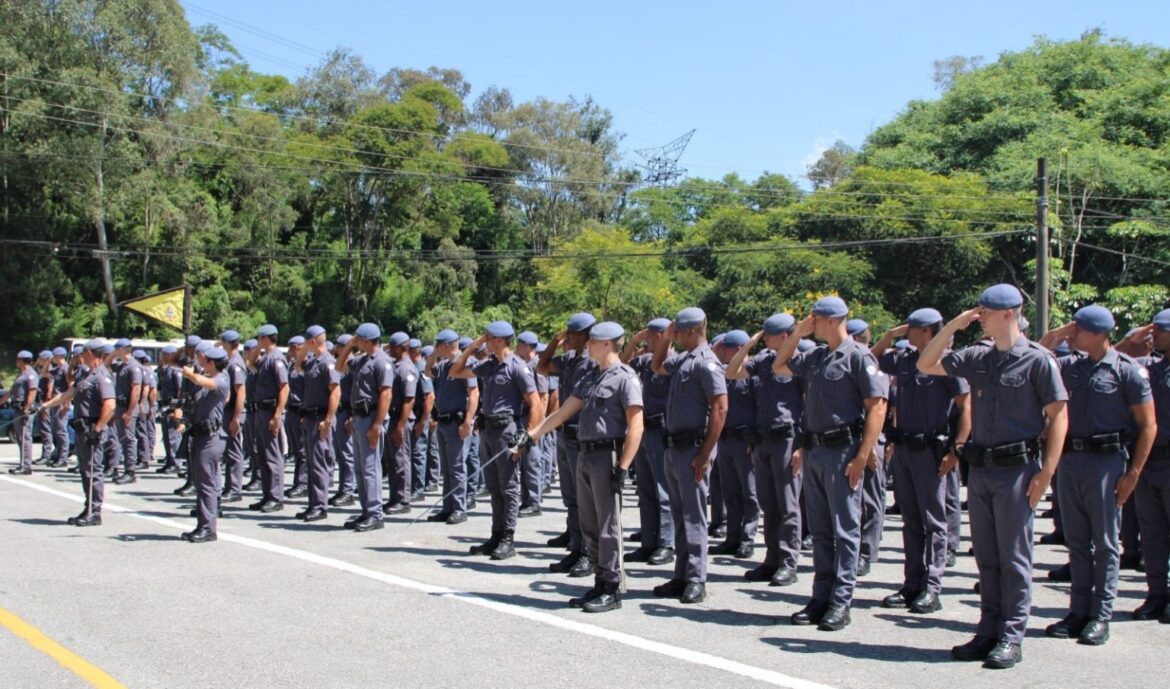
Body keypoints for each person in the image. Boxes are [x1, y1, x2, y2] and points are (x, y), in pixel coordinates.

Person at [917, 284, 1069, 669]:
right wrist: (952, 325)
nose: (980, 314)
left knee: (1014, 558)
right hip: (981, 471)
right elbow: (926, 363)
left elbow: (1058, 417)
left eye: (986, 310)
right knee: (987, 557)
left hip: (1018, 470)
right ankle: (987, 630)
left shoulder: (1038, 360)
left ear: (1009, 314)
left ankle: (1011, 636)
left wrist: (1047, 473)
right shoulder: (978, 357)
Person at [1037, 306, 1154, 645]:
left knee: (1104, 543)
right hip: (1071, 461)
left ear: (1101, 334)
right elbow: (1037, 356)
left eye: (1081, 329)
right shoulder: (1069, 365)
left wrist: (1133, 473)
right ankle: (1078, 611)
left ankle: (1100, 615)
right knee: (1076, 542)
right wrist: (1059, 333)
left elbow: (1148, 425)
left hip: (1106, 463)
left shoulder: (1126, 370)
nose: (1074, 334)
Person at [771, 298, 888, 631]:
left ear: (833, 320)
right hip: (817, 450)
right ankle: (820, 596)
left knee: (846, 531)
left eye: (815, 319)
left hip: (844, 451)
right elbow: (780, 365)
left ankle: (841, 600)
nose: (811, 323)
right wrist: (797, 335)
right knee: (821, 531)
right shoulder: (818, 357)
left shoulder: (858, 356)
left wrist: (863, 455)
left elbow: (877, 408)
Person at [529, 322, 644, 612]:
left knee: (607, 525)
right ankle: (599, 579)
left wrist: (623, 467)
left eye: (592, 341)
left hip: (608, 456)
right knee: (590, 523)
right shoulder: (593, 376)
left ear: (606, 344)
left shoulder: (625, 378)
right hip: (585, 454)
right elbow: (565, 410)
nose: (586, 345)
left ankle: (612, 586)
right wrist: (533, 433)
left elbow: (636, 425)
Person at [871, 308, 971, 614]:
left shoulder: (947, 363)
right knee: (911, 521)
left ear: (926, 331)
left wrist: (957, 450)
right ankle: (911, 583)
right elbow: (871, 359)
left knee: (934, 521)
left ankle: (932, 586)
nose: (907, 332)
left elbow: (966, 407)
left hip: (932, 450)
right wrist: (889, 336)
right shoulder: (903, 358)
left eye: (912, 328)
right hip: (905, 449)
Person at [649, 307, 728, 604]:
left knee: (694, 516)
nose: (677, 336)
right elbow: (657, 365)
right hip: (674, 447)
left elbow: (720, 408)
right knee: (681, 514)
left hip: (693, 447)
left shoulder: (707, 362)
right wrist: (666, 339)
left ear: (693, 331)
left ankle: (696, 578)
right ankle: (681, 575)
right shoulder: (684, 359)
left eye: (679, 332)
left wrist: (706, 453)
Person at [449, 321, 541, 561]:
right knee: (493, 487)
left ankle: (508, 539)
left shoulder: (517, 368)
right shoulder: (489, 366)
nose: (484, 341)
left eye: (487, 338)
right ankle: (496, 534)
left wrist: (525, 438)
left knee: (509, 487)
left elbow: (536, 404)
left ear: (499, 340)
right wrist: (472, 347)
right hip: (488, 429)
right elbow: (455, 371)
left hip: (507, 430)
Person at [725, 313, 805, 587]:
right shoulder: (762, 360)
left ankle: (788, 561)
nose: (765, 339)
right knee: (769, 504)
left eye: (768, 335)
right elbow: (732, 372)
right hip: (762, 440)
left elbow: (808, 403)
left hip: (787, 439)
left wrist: (802, 447)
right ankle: (772, 559)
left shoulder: (801, 358)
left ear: (785, 336)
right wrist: (749, 345)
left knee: (787, 505)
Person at [1116, 310, 1170, 622]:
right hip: (1149, 460)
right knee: (1152, 534)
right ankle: (1156, 594)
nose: (1154, 336)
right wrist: (1129, 341)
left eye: (1161, 331)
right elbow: (1113, 359)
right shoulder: (1149, 367)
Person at [537, 313, 599, 577]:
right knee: (571, 498)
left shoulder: (592, 362)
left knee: (585, 499)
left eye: (574, 334)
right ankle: (575, 548)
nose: (569, 337)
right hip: (564, 433)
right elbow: (542, 366)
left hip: (580, 434)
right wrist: (554, 340)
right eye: (568, 333)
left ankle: (588, 553)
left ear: (587, 335)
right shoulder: (569, 359)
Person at [43, 339, 114, 526]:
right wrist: (46, 405)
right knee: (85, 471)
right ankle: (88, 507)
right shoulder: (86, 374)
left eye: (82, 353)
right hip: (83, 428)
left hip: (92, 429)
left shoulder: (101, 376)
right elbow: (68, 394)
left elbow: (110, 405)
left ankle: (95, 511)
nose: (79, 356)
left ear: (91, 353)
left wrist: (97, 428)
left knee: (93, 471)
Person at [623, 318, 676, 566]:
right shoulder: (644, 361)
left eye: (649, 337)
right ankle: (649, 541)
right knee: (645, 490)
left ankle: (666, 543)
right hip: (643, 430)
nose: (647, 341)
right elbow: (620, 365)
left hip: (662, 429)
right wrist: (632, 342)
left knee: (663, 490)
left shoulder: (673, 361)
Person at [711, 329, 760, 559]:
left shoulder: (753, 374)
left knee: (749, 493)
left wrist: (755, 440)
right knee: (730, 492)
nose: (725, 351)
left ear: (739, 349)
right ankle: (732, 537)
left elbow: (761, 408)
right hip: (726, 440)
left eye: (728, 347)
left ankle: (747, 538)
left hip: (745, 440)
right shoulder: (723, 373)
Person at [426, 329, 478, 525]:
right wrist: (433, 355)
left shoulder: (464, 364)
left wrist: (468, 421)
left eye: (438, 344)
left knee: (457, 467)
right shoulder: (442, 366)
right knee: (446, 468)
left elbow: (474, 394)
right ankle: (447, 507)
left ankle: (459, 508)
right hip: (443, 421)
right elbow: (427, 371)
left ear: (446, 345)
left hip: (457, 422)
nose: (435, 347)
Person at [345, 323, 394, 532]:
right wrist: (349, 345)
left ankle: (375, 513)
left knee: (370, 467)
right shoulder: (363, 360)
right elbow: (341, 366)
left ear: (366, 341)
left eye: (359, 340)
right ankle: (366, 510)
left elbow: (386, 394)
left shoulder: (381, 362)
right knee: (359, 468)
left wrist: (376, 425)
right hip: (358, 417)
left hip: (371, 417)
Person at [180, 346, 231, 543]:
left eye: (205, 360)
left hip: (211, 438)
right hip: (201, 435)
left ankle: (209, 528)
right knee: (201, 484)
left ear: (212, 362)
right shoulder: (209, 379)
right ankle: (202, 524)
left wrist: (189, 373)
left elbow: (201, 380)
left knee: (207, 485)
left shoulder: (221, 379)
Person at [297, 325, 341, 522]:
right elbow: (298, 365)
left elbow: (335, 391)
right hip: (309, 418)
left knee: (319, 464)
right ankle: (313, 504)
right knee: (311, 463)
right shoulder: (313, 361)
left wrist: (328, 420)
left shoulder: (328, 363)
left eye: (307, 341)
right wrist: (305, 349)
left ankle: (320, 506)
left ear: (313, 341)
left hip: (321, 419)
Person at [251, 325, 290, 513]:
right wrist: (258, 348)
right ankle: (267, 495)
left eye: (259, 338)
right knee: (263, 455)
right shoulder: (266, 357)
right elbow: (251, 362)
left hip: (270, 411)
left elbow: (284, 387)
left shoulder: (276, 359)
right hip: (261, 411)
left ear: (266, 338)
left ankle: (276, 497)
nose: (257, 341)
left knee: (273, 456)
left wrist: (277, 415)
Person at [516, 331, 549, 517]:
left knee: (532, 461)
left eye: (519, 344)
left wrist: (538, 427)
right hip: (521, 419)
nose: (516, 347)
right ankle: (525, 499)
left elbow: (543, 399)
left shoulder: (538, 366)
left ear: (527, 346)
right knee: (521, 461)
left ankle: (534, 502)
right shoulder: (523, 364)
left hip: (532, 420)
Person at [384, 332, 418, 514]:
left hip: (401, 419)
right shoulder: (396, 365)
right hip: (394, 417)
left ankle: (403, 500)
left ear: (398, 347)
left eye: (391, 346)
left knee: (401, 461)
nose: (389, 349)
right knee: (392, 461)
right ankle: (394, 497)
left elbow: (409, 400)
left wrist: (399, 426)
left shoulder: (405, 368)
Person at [219, 330, 248, 503]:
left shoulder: (235, 363)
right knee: (229, 452)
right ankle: (230, 486)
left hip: (234, 412)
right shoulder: (229, 361)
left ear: (228, 344)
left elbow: (241, 392)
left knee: (234, 451)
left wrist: (236, 417)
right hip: (228, 411)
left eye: (223, 343)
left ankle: (234, 488)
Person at [330, 334, 358, 507]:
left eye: (339, 347)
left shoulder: (355, 366)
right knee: (341, 454)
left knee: (348, 455)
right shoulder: (343, 366)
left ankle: (348, 490)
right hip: (340, 413)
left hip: (349, 413)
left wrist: (352, 417)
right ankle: (343, 488)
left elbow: (360, 394)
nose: (336, 349)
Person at [110, 338, 143, 484]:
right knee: (123, 438)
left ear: (123, 349)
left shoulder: (133, 366)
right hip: (120, 406)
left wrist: (130, 411)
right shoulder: (122, 365)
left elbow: (136, 390)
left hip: (128, 407)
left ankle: (130, 472)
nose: (115, 351)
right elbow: (106, 365)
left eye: (117, 349)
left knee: (129, 439)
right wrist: (112, 355)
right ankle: (126, 469)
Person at [4, 351, 40, 474]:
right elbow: (10, 392)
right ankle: (22, 463)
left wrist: (27, 408)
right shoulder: (21, 374)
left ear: (22, 360)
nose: (16, 361)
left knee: (25, 437)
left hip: (24, 409)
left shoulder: (31, 374)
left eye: (18, 359)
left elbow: (32, 391)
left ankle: (26, 466)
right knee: (20, 438)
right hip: (17, 408)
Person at [284, 335, 308, 499]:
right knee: (296, 450)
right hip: (291, 410)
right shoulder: (292, 366)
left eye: (293, 347)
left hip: (301, 410)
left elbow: (310, 390)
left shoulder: (306, 365)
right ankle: (297, 483)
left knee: (302, 450)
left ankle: (303, 483)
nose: (291, 350)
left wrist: (305, 412)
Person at [156, 346, 184, 474]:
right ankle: (169, 460)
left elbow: (179, 391)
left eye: (164, 354)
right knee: (167, 437)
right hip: (165, 406)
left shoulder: (175, 371)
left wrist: (176, 409)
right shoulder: (166, 370)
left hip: (172, 406)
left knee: (173, 437)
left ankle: (176, 463)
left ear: (170, 355)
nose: (161, 357)